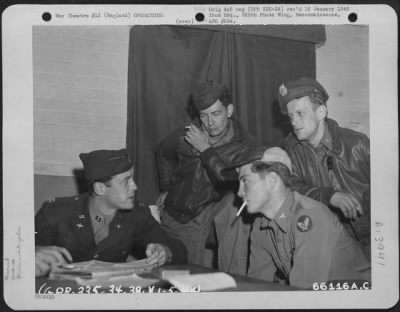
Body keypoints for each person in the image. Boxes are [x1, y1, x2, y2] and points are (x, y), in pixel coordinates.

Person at [229, 146, 370, 289]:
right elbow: (257, 287)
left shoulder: (310, 216)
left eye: (245, 181)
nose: (240, 192)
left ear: (272, 180)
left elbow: (304, 295)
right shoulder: (260, 226)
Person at [35, 149, 187, 277]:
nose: (134, 186)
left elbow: (179, 249)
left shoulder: (137, 215)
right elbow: (18, 248)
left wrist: (165, 252)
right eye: (126, 181)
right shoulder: (55, 212)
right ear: (100, 188)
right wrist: (33, 253)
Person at [156, 81, 256, 274]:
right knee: (185, 280)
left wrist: (205, 149)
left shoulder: (245, 145)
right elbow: (162, 153)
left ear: (229, 110)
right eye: (204, 115)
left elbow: (228, 179)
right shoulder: (185, 136)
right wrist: (166, 187)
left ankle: (234, 284)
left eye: (216, 114)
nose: (210, 122)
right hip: (179, 214)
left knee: (233, 204)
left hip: (212, 210)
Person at [278, 77, 370, 254]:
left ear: (321, 112)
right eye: (290, 116)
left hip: (372, 241)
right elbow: (290, 188)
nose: (293, 122)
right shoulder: (292, 148)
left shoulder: (358, 144)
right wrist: (330, 196)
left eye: (300, 114)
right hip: (328, 242)